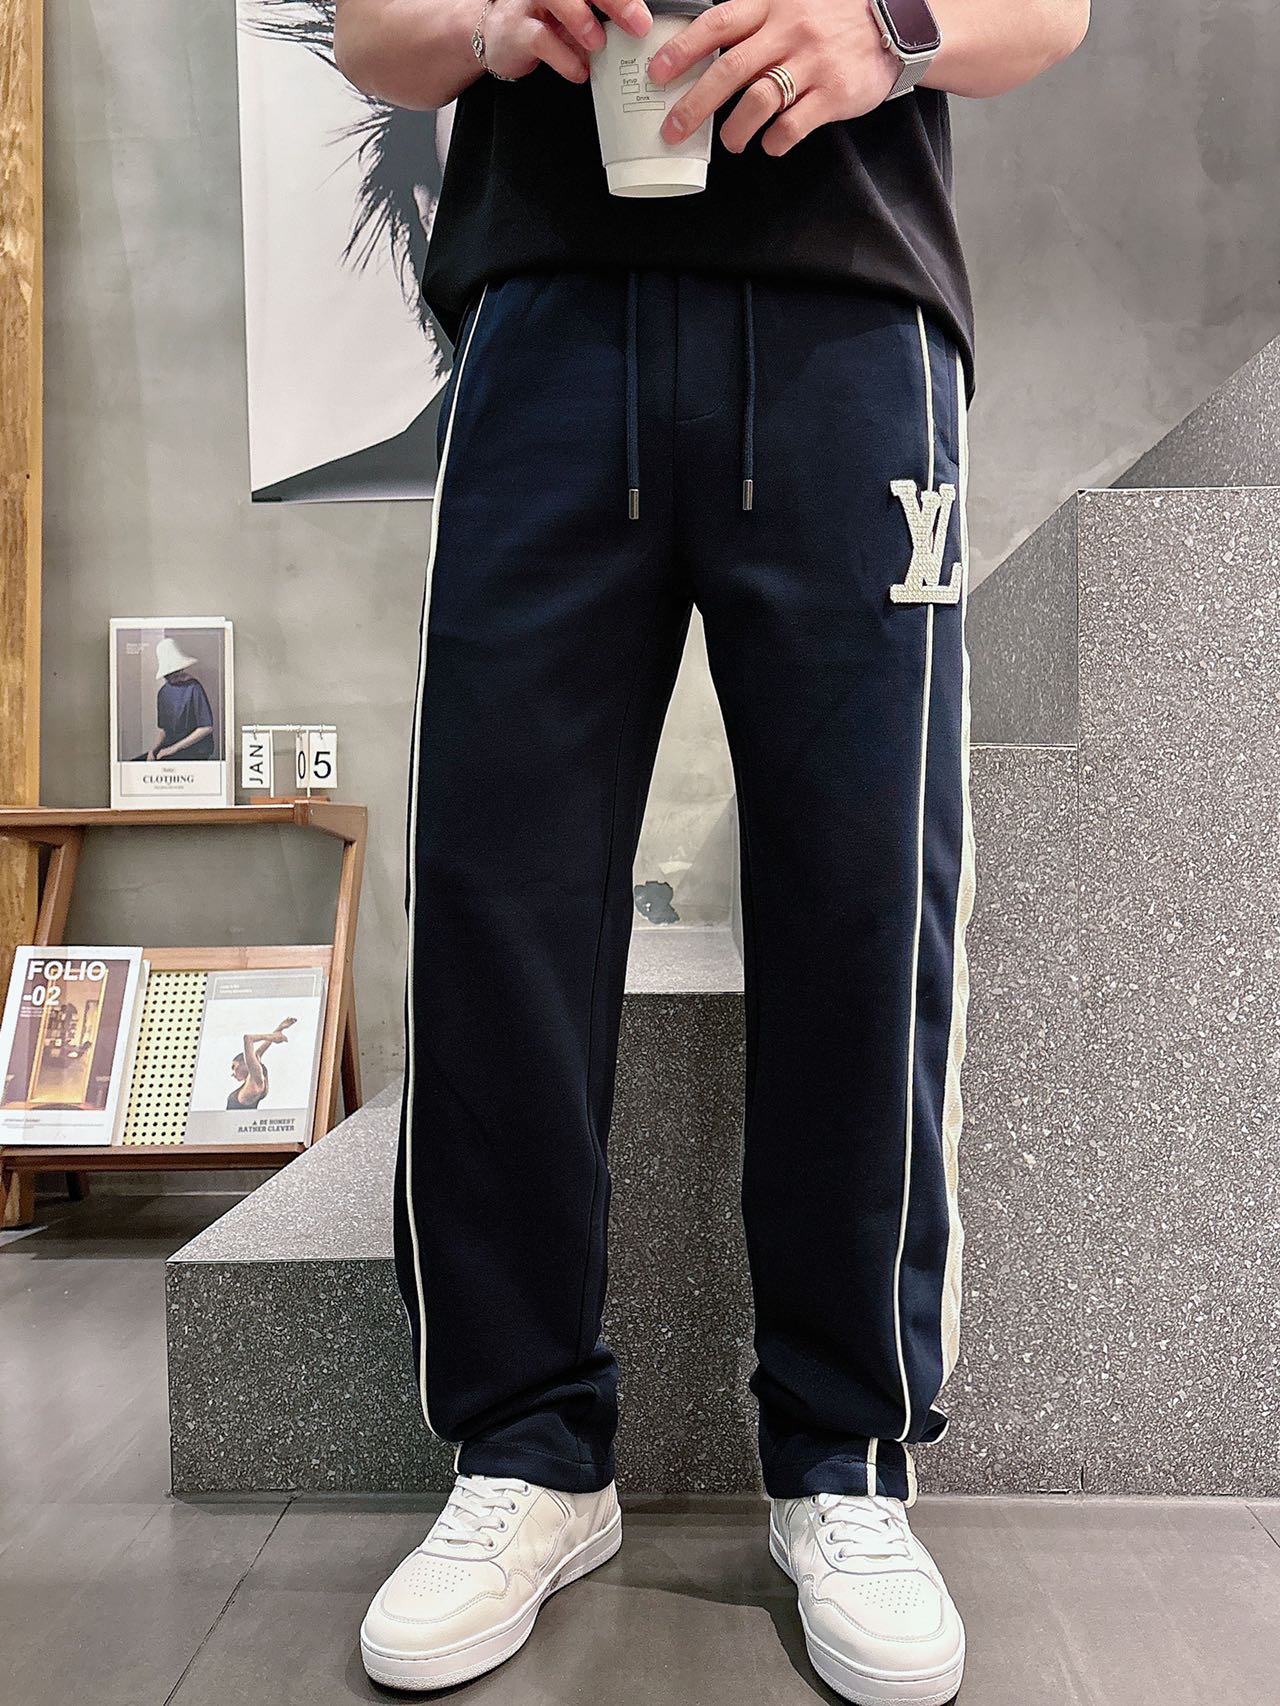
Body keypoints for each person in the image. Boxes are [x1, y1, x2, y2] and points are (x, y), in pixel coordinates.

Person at [334, 0, 1089, 1698]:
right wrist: (484, 21)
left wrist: (890, 30)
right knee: (497, 895)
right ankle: (526, 1449)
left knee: (866, 899)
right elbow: (377, 32)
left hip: (851, 314)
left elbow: (1052, 11)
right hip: (545, 313)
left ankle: (848, 1460)